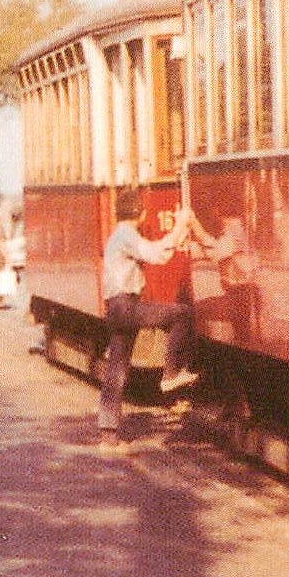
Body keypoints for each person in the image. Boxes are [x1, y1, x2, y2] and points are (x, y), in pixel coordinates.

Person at [97, 188, 197, 452]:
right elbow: (156, 254)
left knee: (117, 371)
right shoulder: (127, 235)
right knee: (181, 314)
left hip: (115, 308)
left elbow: (160, 255)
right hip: (126, 306)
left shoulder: (117, 237)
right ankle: (171, 374)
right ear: (139, 214)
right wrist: (180, 226)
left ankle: (109, 437)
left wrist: (177, 233)